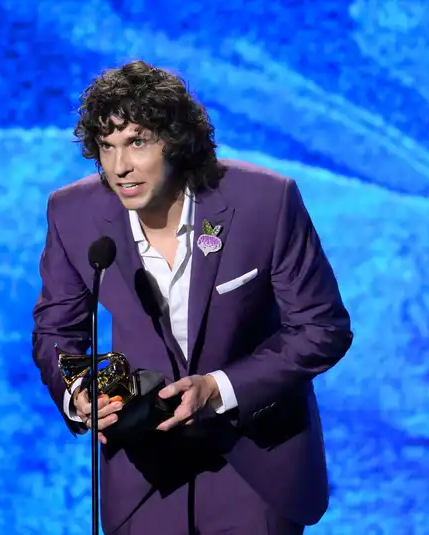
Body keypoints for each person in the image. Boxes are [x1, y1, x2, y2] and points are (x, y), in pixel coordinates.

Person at [32, 60, 353, 535]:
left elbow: (322, 329)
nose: (120, 167)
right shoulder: (73, 213)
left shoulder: (264, 202)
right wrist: (79, 395)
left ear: (176, 141)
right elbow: (58, 331)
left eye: (137, 142)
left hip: (253, 467)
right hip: (143, 475)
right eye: (107, 147)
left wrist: (219, 389)